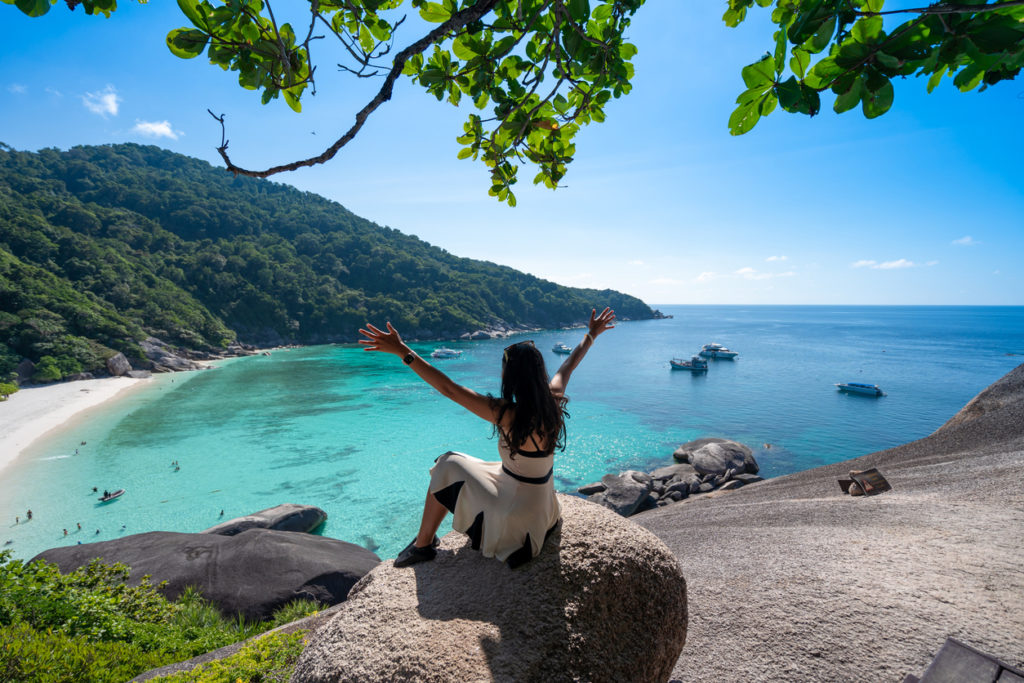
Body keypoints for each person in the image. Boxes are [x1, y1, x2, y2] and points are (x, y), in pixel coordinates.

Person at [358, 307, 615, 569]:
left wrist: (404, 352)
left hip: (517, 520)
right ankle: (427, 540)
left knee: (445, 464)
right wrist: (591, 334)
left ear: (511, 376)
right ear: (538, 372)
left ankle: (423, 545)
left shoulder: (507, 414)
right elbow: (569, 363)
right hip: (544, 512)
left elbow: (450, 389)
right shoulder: (554, 400)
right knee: (473, 465)